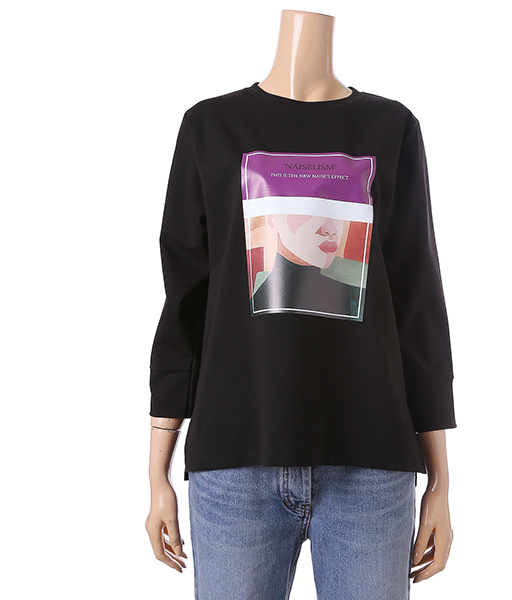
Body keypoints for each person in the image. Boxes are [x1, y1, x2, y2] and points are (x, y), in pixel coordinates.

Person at [146, 9, 456, 600]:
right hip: (235, 460)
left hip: (371, 461)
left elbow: (417, 300)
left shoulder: (390, 127)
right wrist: (157, 465)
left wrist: (441, 479)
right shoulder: (210, 127)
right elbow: (183, 300)